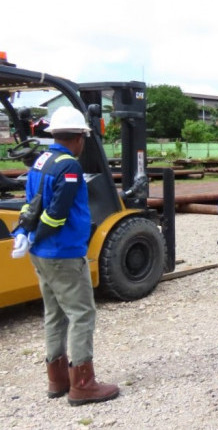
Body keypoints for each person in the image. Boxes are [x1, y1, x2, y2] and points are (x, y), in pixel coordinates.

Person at [11, 106, 119, 406]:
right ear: (80, 138)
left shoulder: (40, 161)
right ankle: (83, 384)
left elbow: (30, 205)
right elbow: (57, 214)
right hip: (64, 253)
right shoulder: (69, 167)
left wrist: (23, 232)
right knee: (82, 314)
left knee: (55, 314)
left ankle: (57, 379)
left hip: (41, 255)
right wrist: (34, 233)